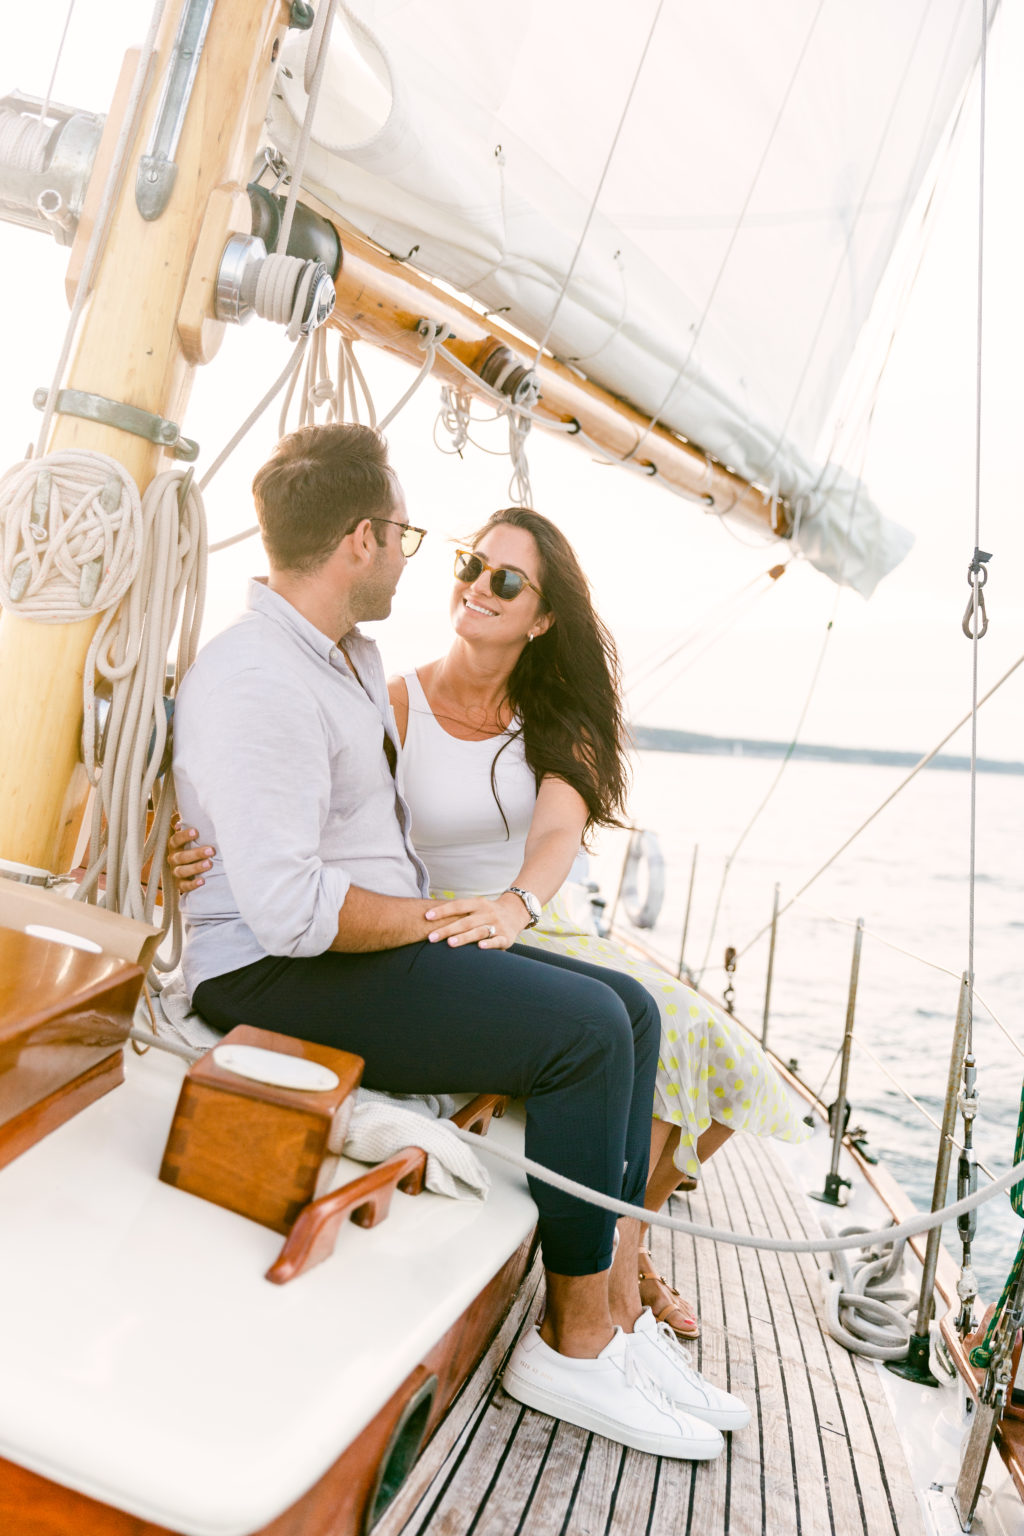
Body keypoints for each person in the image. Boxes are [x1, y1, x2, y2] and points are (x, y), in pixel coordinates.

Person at [170, 422, 749, 1465]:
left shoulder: (344, 659)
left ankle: (607, 1325)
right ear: (360, 539)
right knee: (579, 1037)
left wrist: (454, 919)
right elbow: (292, 910)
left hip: (349, 949)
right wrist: (438, 920)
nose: (418, 558)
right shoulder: (263, 677)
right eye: (407, 534)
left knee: (633, 1011)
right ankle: (569, 1346)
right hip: (274, 972)